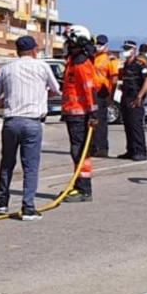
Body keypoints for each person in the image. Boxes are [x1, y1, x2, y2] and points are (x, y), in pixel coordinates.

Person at [0, 36, 60, 220]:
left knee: (7, 162)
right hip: (33, 122)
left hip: (11, 121)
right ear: (34, 50)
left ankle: (2, 200)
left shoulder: (7, 68)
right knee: (31, 166)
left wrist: (4, 103)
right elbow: (55, 89)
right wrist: (42, 96)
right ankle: (28, 206)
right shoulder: (42, 67)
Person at [60, 25, 99, 203]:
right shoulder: (73, 61)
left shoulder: (82, 63)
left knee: (80, 151)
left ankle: (83, 188)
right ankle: (78, 185)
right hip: (72, 112)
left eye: (69, 42)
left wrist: (93, 113)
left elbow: (89, 89)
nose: (66, 45)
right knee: (77, 150)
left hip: (80, 114)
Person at [89, 34, 120, 157]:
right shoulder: (93, 57)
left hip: (102, 92)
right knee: (92, 120)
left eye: (100, 44)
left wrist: (110, 96)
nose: (98, 46)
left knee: (101, 121)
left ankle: (102, 148)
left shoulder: (110, 59)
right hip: (92, 92)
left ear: (106, 45)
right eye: (97, 43)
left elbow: (114, 78)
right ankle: (93, 146)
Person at [118, 40, 147, 161]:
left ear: (134, 50)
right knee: (128, 125)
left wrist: (140, 96)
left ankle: (140, 151)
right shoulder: (126, 64)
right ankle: (131, 150)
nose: (125, 50)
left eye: (127, 48)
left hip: (136, 98)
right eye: (124, 48)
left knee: (136, 126)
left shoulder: (140, 63)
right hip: (125, 96)